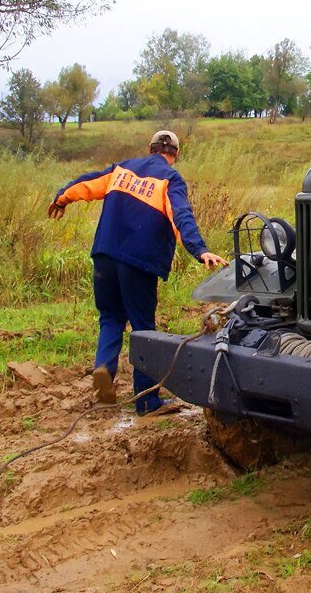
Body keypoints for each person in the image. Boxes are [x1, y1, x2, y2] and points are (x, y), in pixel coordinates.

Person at [49, 129, 228, 413]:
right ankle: (147, 400)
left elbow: (87, 183)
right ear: (175, 155)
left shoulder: (121, 169)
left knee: (110, 316)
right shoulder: (170, 178)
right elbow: (180, 216)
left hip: (104, 255)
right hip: (138, 262)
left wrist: (61, 198)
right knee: (143, 327)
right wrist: (199, 249)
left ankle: (104, 369)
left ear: (150, 148)